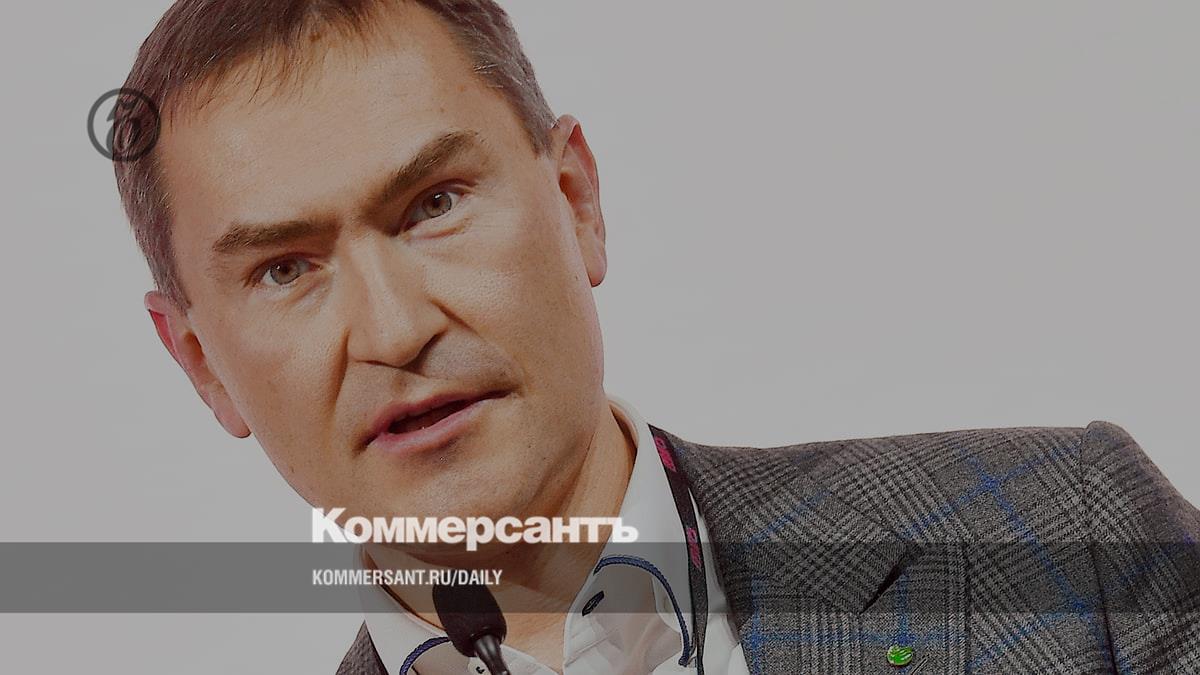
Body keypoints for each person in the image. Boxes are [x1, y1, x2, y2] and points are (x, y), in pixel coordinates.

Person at [113, 1, 1200, 673]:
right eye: (285, 269)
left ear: (576, 200)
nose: (395, 328)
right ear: (203, 367)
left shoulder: (1075, 541)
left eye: (434, 205)